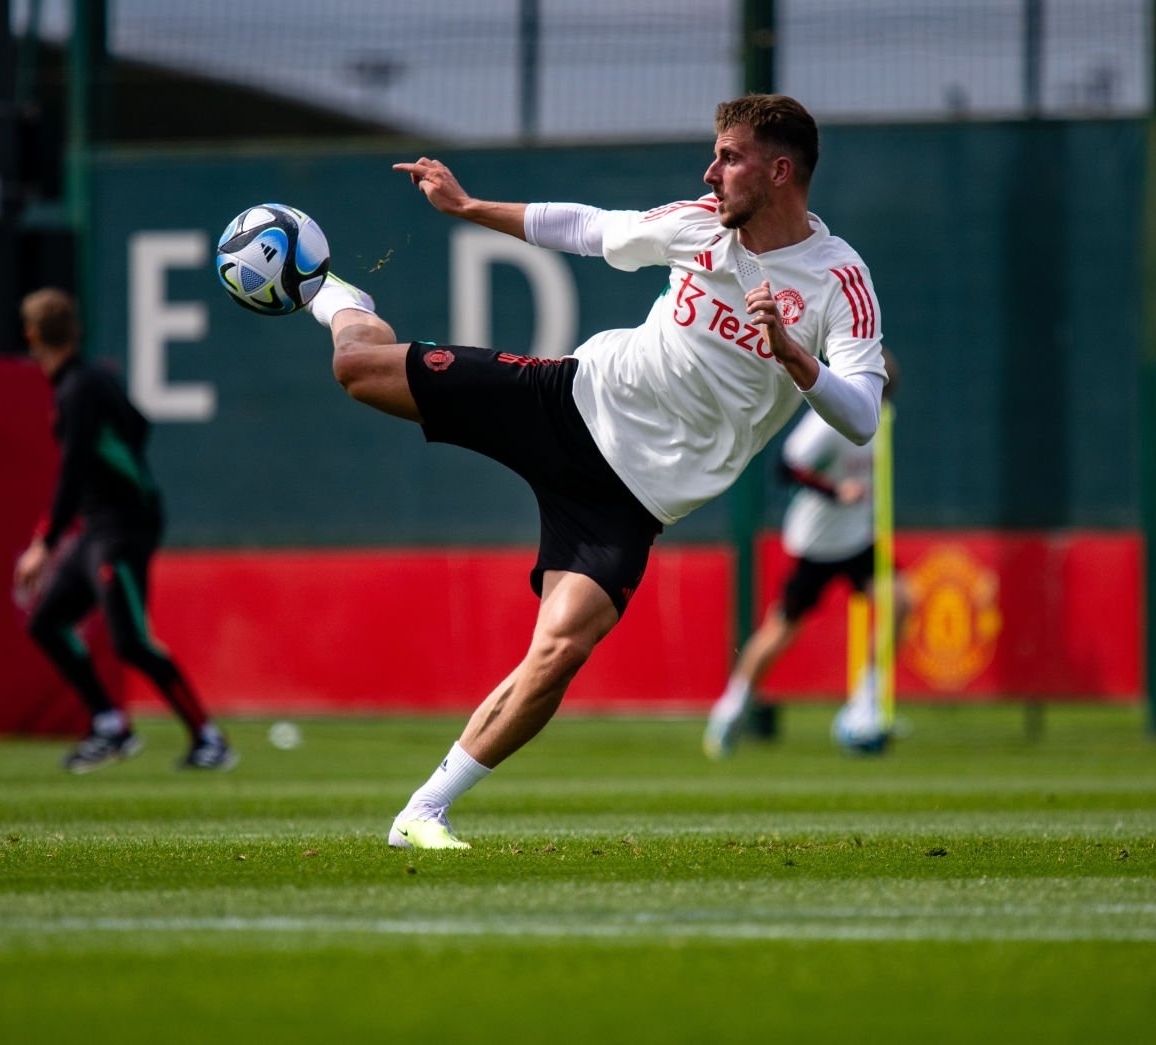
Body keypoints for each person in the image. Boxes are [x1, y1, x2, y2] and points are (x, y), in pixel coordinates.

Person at [303, 94, 886, 849]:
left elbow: (862, 414)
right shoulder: (698, 224)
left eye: (729, 157)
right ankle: (332, 295)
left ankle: (421, 812)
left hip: (631, 501)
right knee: (356, 367)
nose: (711, 172)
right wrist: (467, 205)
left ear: (779, 171)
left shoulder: (840, 282)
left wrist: (792, 353)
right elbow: (588, 228)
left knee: (559, 651)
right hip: (569, 400)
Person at [11, 288, 236, 774]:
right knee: (46, 622)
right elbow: (138, 425)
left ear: (31, 335)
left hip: (120, 526)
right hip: (100, 525)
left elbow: (72, 470)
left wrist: (43, 545)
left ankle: (209, 739)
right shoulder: (95, 379)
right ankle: (110, 725)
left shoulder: (76, 389)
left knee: (131, 640)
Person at [702, 349, 902, 760]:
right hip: (818, 543)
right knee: (782, 630)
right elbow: (787, 466)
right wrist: (836, 492)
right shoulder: (828, 424)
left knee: (899, 602)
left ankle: (865, 702)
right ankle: (734, 704)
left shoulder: (881, 421)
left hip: (858, 539)